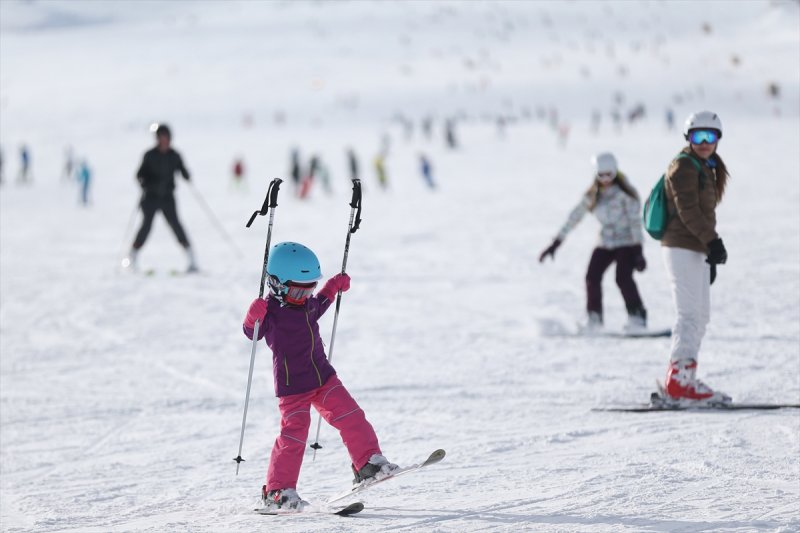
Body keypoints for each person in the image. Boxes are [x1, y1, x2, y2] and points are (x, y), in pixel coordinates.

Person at [243, 242, 398, 511]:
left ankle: (368, 464)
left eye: (310, 288)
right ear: (277, 284)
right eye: (296, 290)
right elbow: (251, 332)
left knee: (352, 416)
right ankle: (278, 491)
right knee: (294, 436)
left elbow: (322, 302)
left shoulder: (306, 304)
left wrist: (332, 287)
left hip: (323, 377)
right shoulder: (270, 312)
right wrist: (251, 317)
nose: (304, 296)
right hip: (293, 388)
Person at [660, 111, 730, 403]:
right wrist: (712, 242)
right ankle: (679, 383)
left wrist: (708, 251)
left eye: (709, 136)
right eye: (697, 136)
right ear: (687, 138)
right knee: (689, 315)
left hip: (695, 248)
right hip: (681, 246)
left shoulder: (705, 167)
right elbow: (688, 211)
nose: (703, 142)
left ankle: (685, 378)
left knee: (700, 316)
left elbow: (702, 214)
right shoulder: (684, 167)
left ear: (717, 140)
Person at [539, 152, 647, 330]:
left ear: (615, 172)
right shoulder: (593, 195)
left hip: (627, 242)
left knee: (623, 278)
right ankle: (594, 319)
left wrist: (638, 252)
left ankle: (637, 317)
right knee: (592, 277)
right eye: (601, 175)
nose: (605, 179)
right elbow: (574, 218)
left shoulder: (626, 194)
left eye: (609, 175)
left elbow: (635, 222)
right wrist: (556, 243)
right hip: (605, 242)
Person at [122, 124, 197, 272]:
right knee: (146, 226)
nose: (163, 140)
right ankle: (133, 256)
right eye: (160, 137)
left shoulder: (175, 155)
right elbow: (139, 174)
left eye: (166, 137)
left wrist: (186, 175)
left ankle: (191, 258)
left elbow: (182, 170)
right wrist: (143, 182)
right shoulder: (149, 155)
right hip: (150, 197)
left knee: (176, 225)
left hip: (167, 197)